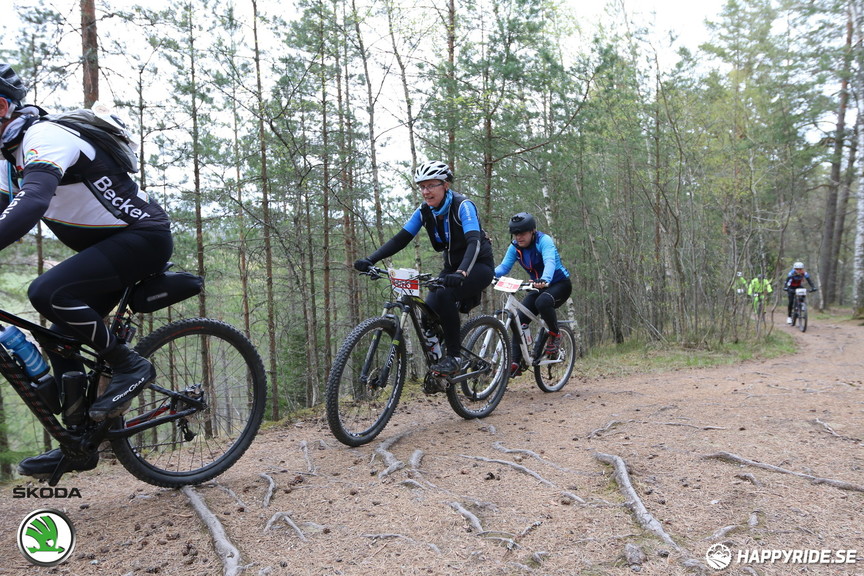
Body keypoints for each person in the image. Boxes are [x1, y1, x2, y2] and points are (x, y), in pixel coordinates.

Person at [0, 63, 173, 477]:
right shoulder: (7, 158)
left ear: (6, 107)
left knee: (47, 293)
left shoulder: (45, 136)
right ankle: (76, 444)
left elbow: (33, 201)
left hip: (142, 238)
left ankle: (131, 364)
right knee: (60, 338)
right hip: (106, 250)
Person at [354, 160, 494, 378]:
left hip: (478, 266)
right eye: (422, 186)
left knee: (446, 295)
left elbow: (474, 242)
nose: (426, 192)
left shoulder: (463, 206)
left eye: (431, 186)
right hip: (452, 269)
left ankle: (455, 357)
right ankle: (439, 366)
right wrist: (371, 259)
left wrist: (462, 272)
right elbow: (401, 239)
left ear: (445, 185)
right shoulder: (425, 211)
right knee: (428, 312)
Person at [494, 212, 572, 377]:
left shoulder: (544, 241)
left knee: (542, 303)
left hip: (559, 284)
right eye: (516, 234)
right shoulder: (515, 247)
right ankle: (516, 361)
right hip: (538, 286)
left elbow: (550, 261)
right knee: (519, 319)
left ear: (532, 231)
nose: (519, 237)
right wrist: (488, 275)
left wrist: (545, 279)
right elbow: (503, 267)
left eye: (522, 233)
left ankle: (555, 334)